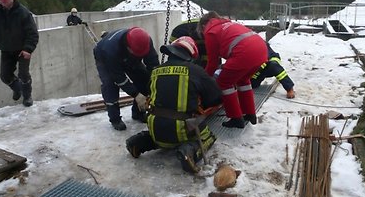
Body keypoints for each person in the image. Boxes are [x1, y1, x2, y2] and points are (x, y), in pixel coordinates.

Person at [126, 36, 222, 173]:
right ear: (190, 54)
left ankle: (138, 142)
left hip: (155, 126)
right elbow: (216, 97)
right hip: (181, 130)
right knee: (208, 135)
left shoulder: (155, 71)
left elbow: (151, 93)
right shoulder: (195, 70)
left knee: (160, 137)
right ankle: (190, 151)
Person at [197, 11, 268, 129]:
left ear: (204, 25)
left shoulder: (211, 32)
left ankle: (236, 118)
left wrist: (204, 80)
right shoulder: (229, 25)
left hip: (245, 53)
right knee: (243, 80)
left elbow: (212, 63)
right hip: (261, 50)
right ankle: (250, 114)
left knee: (223, 83)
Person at [93, 27, 159, 131]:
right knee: (110, 85)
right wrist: (136, 94)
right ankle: (115, 119)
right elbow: (118, 78)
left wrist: (155, 81)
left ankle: (138, 113)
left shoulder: (145, 41)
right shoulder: (109, 51)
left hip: (129, 57)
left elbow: (153, 63)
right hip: (104, 57)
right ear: (128, 48)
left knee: (144, 78)